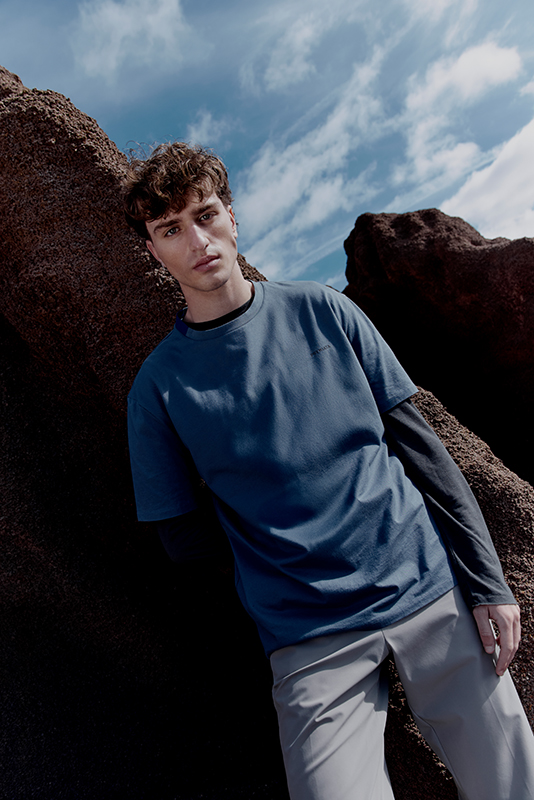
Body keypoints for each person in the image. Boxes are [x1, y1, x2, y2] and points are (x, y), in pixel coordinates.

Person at [123, 142, 534, 800]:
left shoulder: (325, 310)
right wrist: (275, 553)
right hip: (306, 636)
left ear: (232, 217)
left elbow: (424, 451)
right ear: (152, 249)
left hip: (427, 589)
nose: (196, 241)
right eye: (170, 229)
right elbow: (179, 535)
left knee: (515, 784)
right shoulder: (157, 389)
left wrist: (488, 582)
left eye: (205, 215)